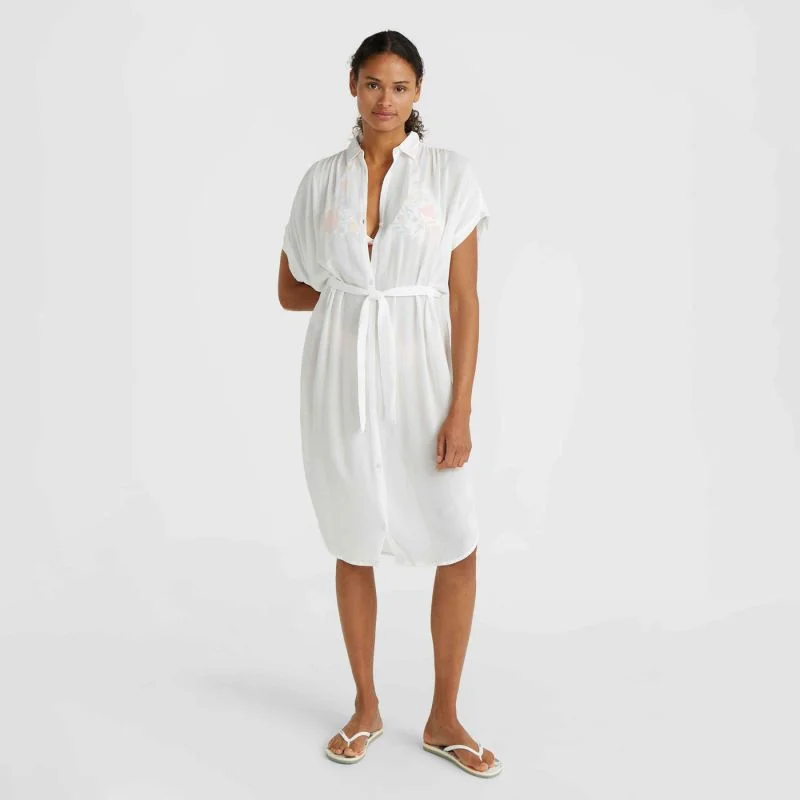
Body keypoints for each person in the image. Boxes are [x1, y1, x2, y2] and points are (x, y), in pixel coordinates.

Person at [277, 30, 502, 778]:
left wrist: (460, 408)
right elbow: (288, 288)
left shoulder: (448, 174)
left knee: (455, 536)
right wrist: (351, 301)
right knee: (351, 538)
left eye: (400, 87)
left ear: (418, 93)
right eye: (373, 84)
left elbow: (464, 300)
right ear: (352, 85)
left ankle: (444, 717)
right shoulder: (321, 179)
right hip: (340, 379)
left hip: (424, 378)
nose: (385, 100)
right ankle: (366, 706)